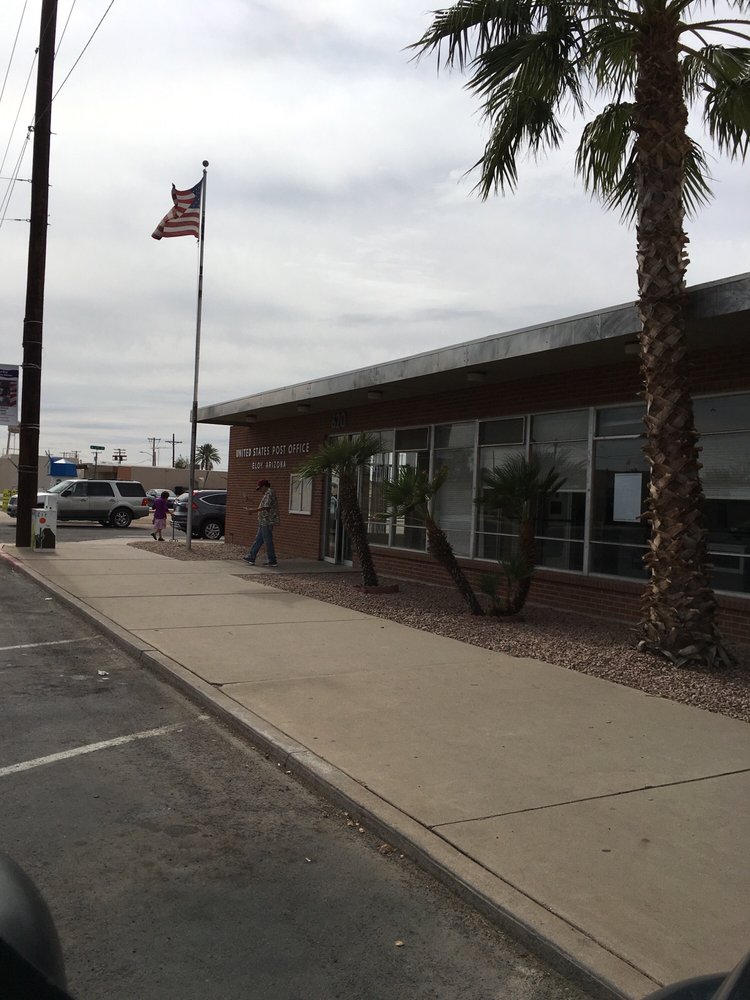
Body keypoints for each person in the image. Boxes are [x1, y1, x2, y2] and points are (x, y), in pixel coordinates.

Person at [243, 478, 279, 566]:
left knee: (268, 541)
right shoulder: (267, 494)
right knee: (258, 539)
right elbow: (262, 505)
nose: (260, 490)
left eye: (260, 488)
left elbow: (266, 507)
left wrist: (253, 510)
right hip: (263, 521)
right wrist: (250, 501)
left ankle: (272, 560)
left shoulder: (270, 493)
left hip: (267, 521)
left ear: (264, 486)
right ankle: (251, 556)